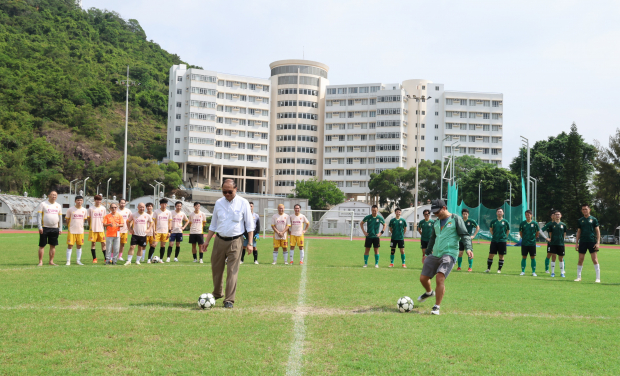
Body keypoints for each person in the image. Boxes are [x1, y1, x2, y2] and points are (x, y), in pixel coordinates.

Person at [203, 179, 255, 308]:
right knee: (216, 269)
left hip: (236, 241)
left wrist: (250, 243)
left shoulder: (243, 203)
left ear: (236, 189)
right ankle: (217, 293)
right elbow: (213, 224)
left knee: (232, 271)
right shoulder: (219, 203)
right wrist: (207, 241)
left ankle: (229, 300)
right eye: (224, 192)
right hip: (219, 240)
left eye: (229, 192)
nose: (226, 194)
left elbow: (249, 225)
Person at [417, 200, 473, 315]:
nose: (436, 214)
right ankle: (429, 292)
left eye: (437, 212)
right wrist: (427, 254)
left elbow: (464, 235)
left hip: (449, 253)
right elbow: (432, 239)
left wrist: (468, 248)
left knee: (440, 277)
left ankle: (436, 307)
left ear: (444, 208)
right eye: (434, 213)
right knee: (423, 278)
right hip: (436, 253)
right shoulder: (436, 222)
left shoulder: (456, 219)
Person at [575, 204, 601, 283]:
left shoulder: (593, 219)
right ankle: (578, 277)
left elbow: (597, 231)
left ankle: (598, 278)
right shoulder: (580, 220)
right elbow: (579, 232)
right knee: (580, 259)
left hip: (591, 241)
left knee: (594, 259)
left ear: (589, 209)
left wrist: (598, 243)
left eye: (586, 209)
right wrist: (576, 243)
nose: (584, 211)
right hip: (583, 241)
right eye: (583, 209)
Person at [37, 191, 62, 266]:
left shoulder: (58, 205)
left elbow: (60, 218)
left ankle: (51, 261)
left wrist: (60, 228)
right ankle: (40, 261)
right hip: (44, 228)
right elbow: (39, 216)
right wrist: (40, 227)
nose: (54, 196)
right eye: (52, 195)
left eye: (55, 195)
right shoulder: (43, 204)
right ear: (48, 195)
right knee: (42, 245)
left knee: (53, 245)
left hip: (54, 228)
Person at [541, 210, 567, 278]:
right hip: (553, 243)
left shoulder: (563, 225)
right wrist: (548, 239)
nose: (557, 215)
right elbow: (550, 233)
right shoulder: (551, 224)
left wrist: (562, 240)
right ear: (554, 216)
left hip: (561, 244)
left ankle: (562, 273)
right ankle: (552, 272)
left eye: (558, 214)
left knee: (561, 258)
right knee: (553, 257)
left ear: (561, 215)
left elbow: (564, 233)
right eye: (556, 214)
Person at [486, 208, 510, 273]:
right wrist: (494, 235)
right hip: (494, 240)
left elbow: (508, 230)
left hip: (502, 241)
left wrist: (505, 237)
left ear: (503, 213)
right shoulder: (493, 221)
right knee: (491, 254)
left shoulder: (505, 221)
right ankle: (488, 268)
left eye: (501, 212)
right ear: (496, 213)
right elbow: (491, 229)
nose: (499, 213)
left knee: (501, 255)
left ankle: (499, 269)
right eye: (498, 211)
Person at [65, 195, 87, 266]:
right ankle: (68, 261)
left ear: (82, 201)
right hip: (72, 231)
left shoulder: (84, 210)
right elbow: (67, 219)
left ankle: (78, 260)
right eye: (78, 200)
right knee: (70, 245)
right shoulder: (70, 209)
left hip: (80, 231)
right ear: (75, 201)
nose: (79, 202)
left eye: (80, 200)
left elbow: (84, 220)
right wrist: (70, 227)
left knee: (79, 246)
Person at [518, 209, 540, 276]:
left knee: (533, 257)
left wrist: (533, 238)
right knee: (524, 257)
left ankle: (533, 272)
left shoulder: (535, 223)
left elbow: (537, 232)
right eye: (526, 215)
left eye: (529, 215)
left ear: (531, 215)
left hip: (532, 243)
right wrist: (524, 238)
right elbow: (521, 233)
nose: (527, 216)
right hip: (524, 243)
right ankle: (523, 271)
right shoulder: (522, 223)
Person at [151, 198, 172, 263]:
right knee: (154, 245)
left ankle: (161, 259)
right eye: (162, 204)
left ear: (166, 205)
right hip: (157, 231)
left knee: (163, 246)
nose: (164, 205)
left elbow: (170, 222)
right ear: (160, 204)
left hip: (165, 232)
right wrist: (154, 230)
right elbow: (153, 221)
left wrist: (169, 231)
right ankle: (149, 259)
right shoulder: (156, 211)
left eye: (165, 204)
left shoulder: (169, 212)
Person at [88, 195, 107, 263]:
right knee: (93, 244)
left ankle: (106, 258)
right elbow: (89, 218)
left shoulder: (103, 208)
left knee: (104, 244)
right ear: (95, 200)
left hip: (101, 229)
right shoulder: (91, 208)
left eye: (100, 200)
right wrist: (91, 226)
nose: (98, 201)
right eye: (97, 200)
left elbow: (104, 219)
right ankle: (94, 259)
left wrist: (104, 227)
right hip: (93, 229)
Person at [541, 209, 556, 273]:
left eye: (554, 215)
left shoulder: (560, 224)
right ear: (551, 216)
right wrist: (546, 238)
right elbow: (541, 230)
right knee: (549, 255)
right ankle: (547, 269)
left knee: (560, 255)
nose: (554, 216)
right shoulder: (549, 224)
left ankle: (562, 270)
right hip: (551, 242)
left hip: (558, 242)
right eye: (552, 215)